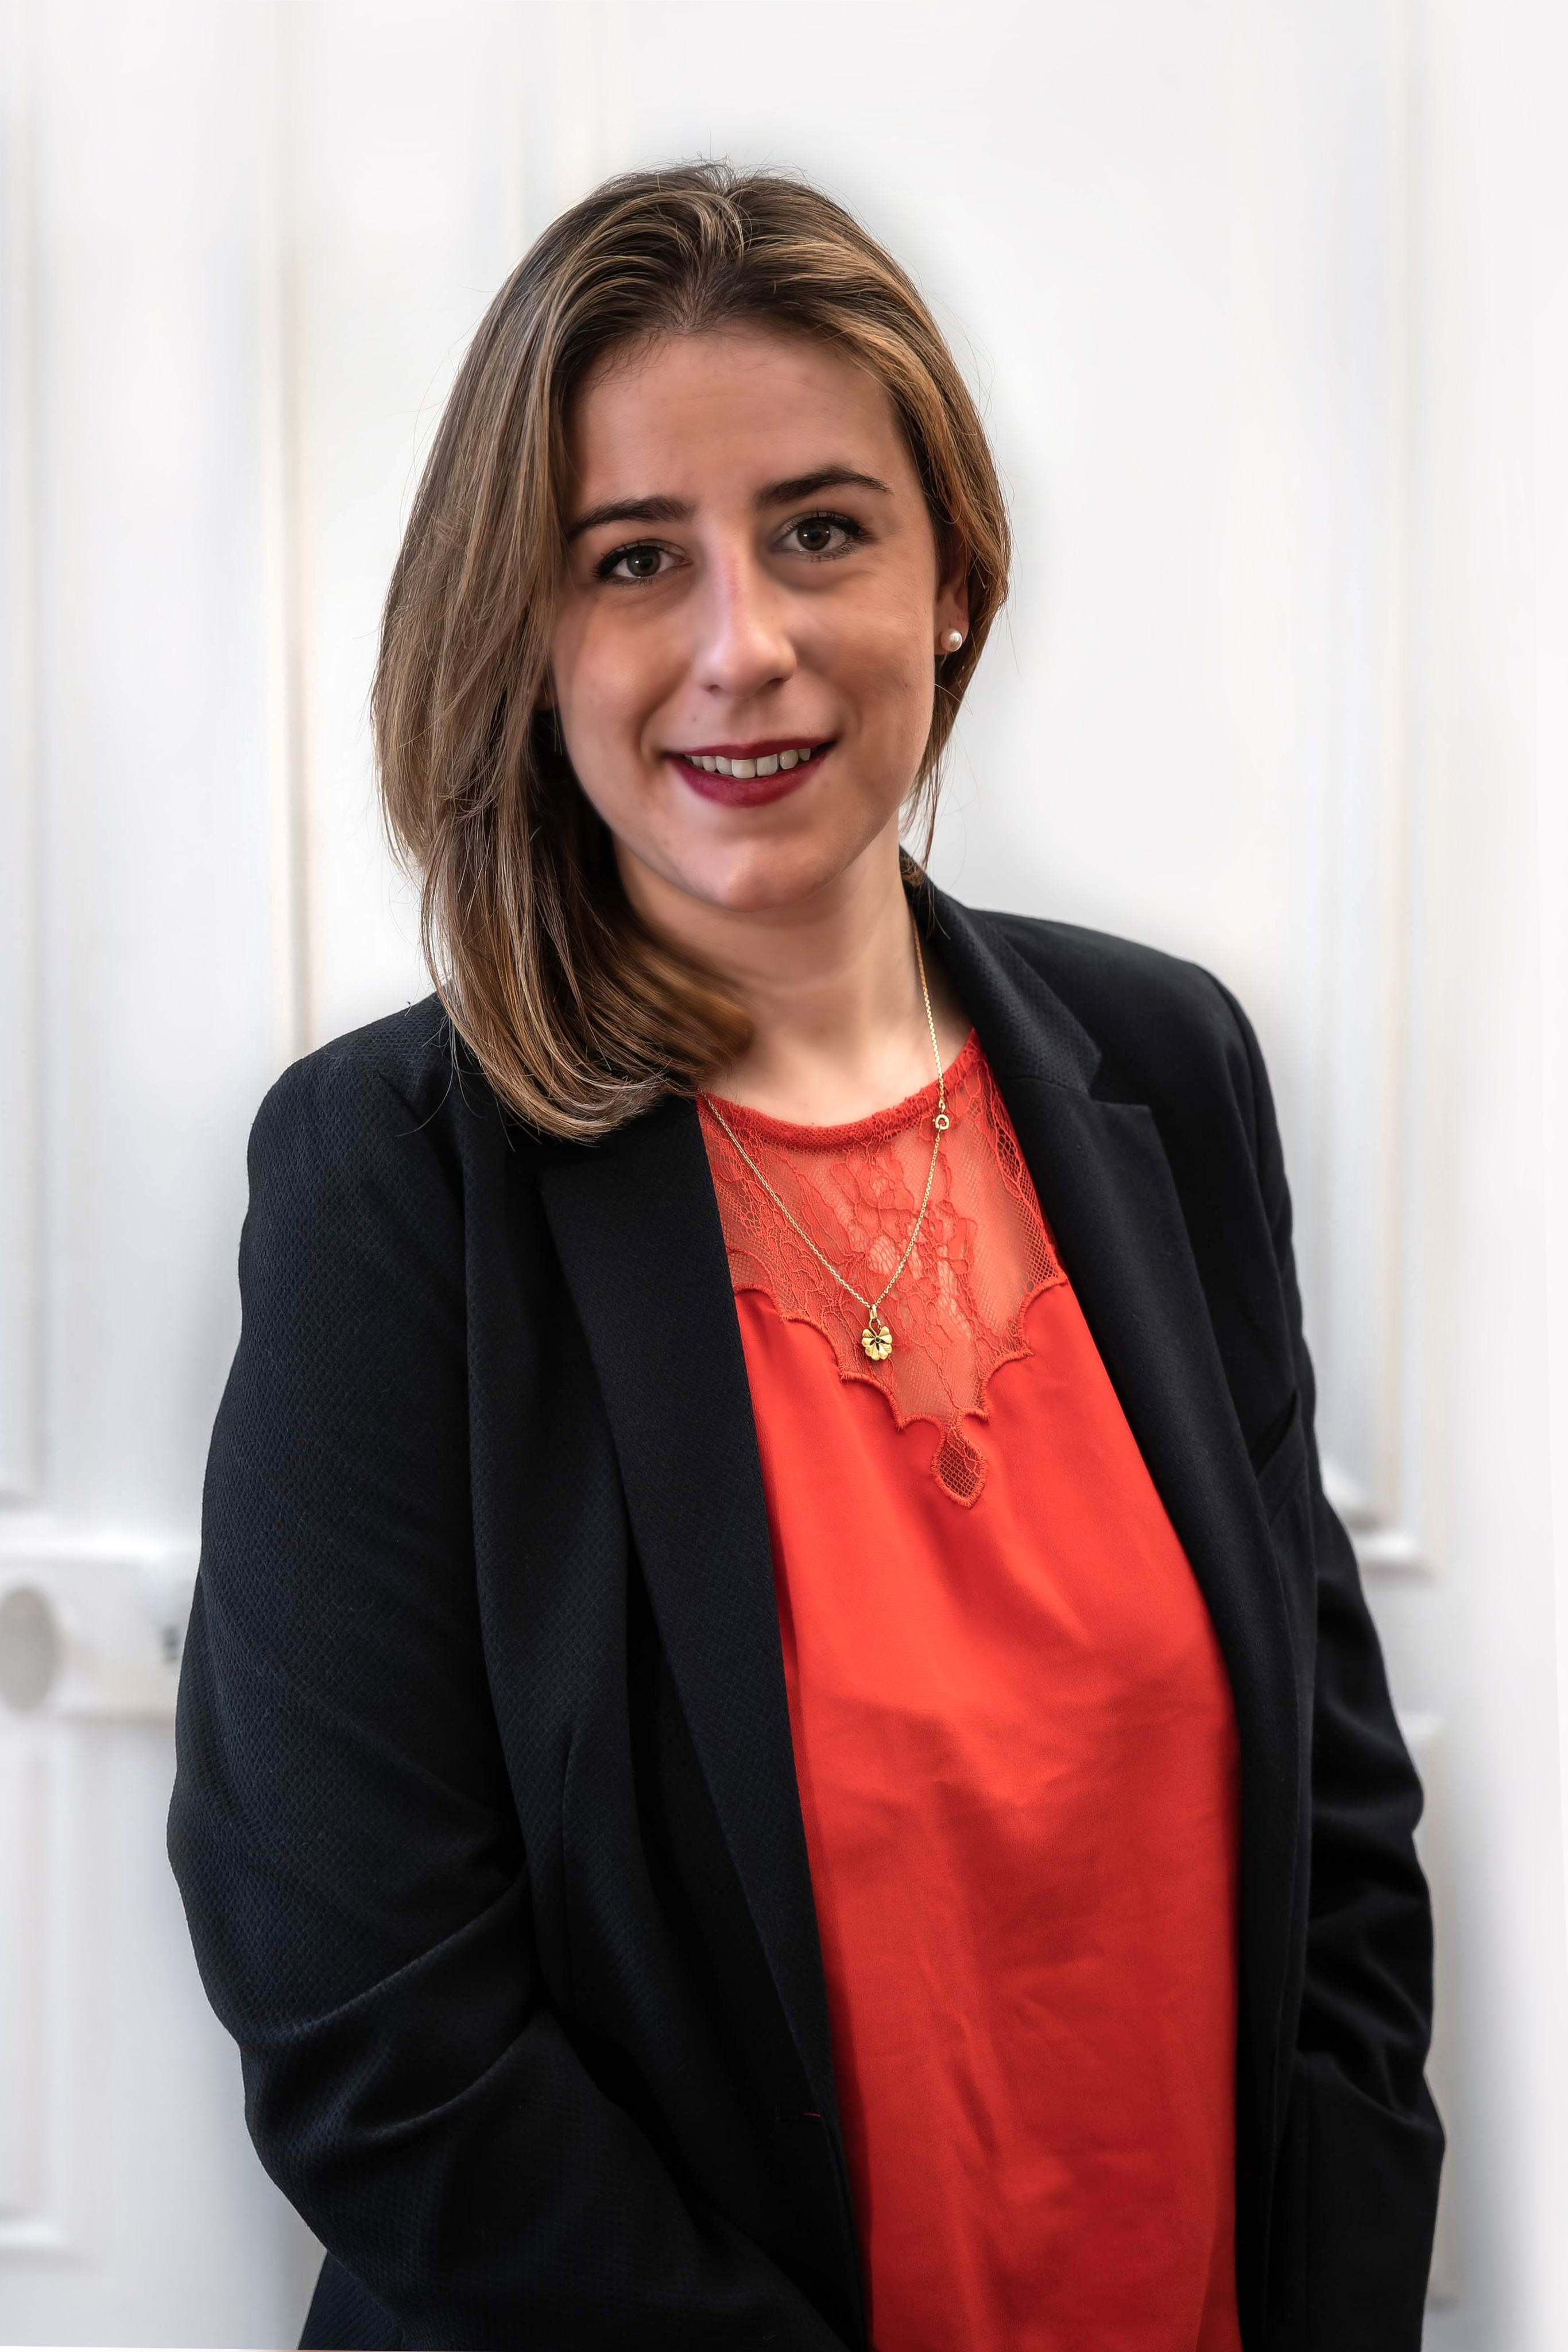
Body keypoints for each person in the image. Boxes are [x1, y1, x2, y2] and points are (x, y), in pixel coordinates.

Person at [168, 164, 1442, 2351]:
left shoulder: (1167, 1065)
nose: (739, 643)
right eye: (632, 559)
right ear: (526, 636)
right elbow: (370, 2027)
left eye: (822, 530)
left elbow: (1336, 1846)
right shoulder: (395, 1183)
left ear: (954, 577)